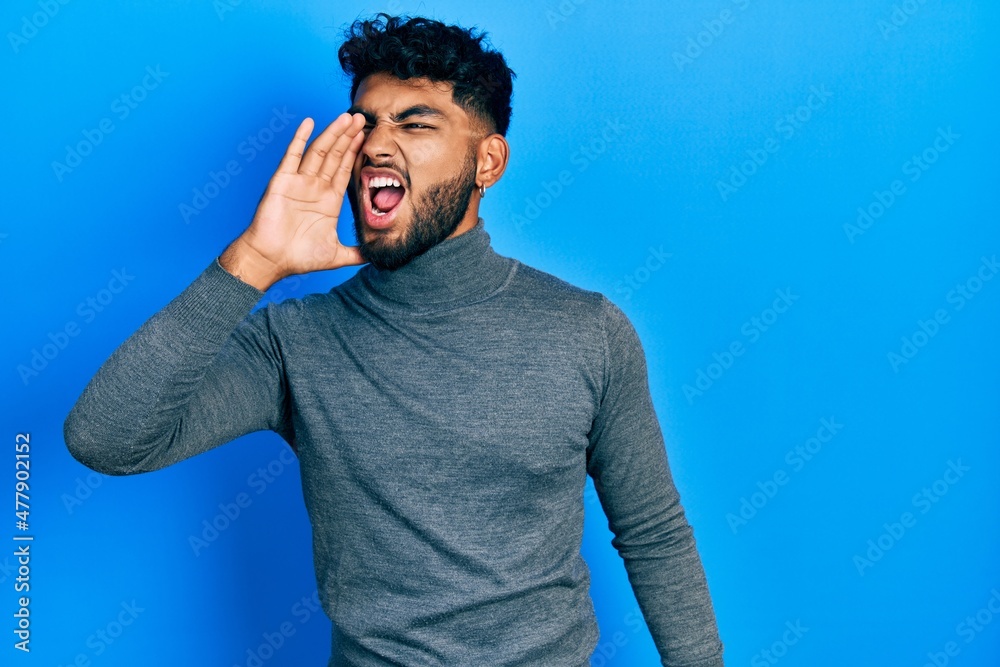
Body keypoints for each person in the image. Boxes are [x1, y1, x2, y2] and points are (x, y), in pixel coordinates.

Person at [64, 13, 725, 667]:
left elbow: (653, 533)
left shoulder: (589, 331)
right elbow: (106, 438)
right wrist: (252, 262)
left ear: (486, 161)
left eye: (414, 122)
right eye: (366, 123)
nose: (377, 145)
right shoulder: (295, 341)